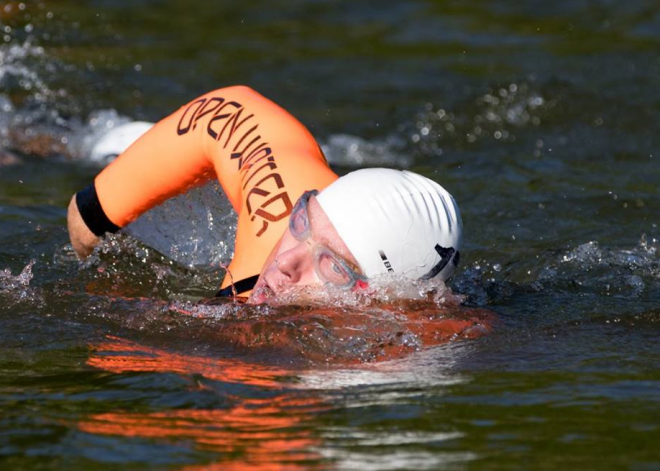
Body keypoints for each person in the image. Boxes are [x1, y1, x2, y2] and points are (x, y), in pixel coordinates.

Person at [67, 85, 462, 304]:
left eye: (331, 266)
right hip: (134, 146)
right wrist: (94, 220)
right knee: (95, 149)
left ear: (382, 300)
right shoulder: (278, 212)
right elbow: (230, 110)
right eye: (303, 223)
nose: (286, 261)